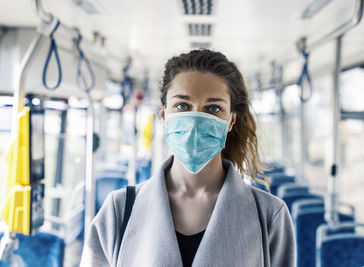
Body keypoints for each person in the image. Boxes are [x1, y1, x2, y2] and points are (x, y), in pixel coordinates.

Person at [80, 49, 296, 267]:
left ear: (231, 121)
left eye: (213, 108)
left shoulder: (269, 215)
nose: (195, 122)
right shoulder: (119, 210)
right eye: (182, 106)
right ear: (164, 115)